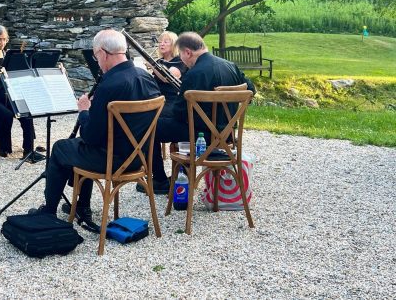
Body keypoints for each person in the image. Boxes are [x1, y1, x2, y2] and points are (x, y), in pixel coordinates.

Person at [29, 29, 161, 225]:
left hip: (111, 161)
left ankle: (48, 212)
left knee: (60, 148)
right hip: (138, 159)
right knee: (79, 146)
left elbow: (91, 136)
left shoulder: (109, 86)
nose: (96, 60)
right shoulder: (145, 77)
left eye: (96, 55)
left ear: (104, 53)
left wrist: (84, 111)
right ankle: (82, 207)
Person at [143, 32, 256, 194]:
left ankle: (160, 180)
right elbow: (251, 91)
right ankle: (180, 175)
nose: (182, 60)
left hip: (201, 137)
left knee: (151, 127)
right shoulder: (231, 66)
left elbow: (180, 114)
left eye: (181, 55)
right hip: (227, 134)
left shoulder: (193, 74)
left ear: (187, 52)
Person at [0, 25, 41, 161]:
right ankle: (4, 148)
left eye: (5, 40)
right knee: (6, 114)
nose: (2, 43)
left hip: (8, 96)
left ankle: (29, 150)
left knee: (26, 112)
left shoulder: (8, 56)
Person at [150, 31, 187, 118]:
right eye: (160, 42)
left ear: (174, 44)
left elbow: (167, 78)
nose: (161, 44)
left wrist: (152, 65)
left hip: (171, 100)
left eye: (165, 42)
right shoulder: (159, 61)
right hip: (157, 98)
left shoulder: (180, 61)